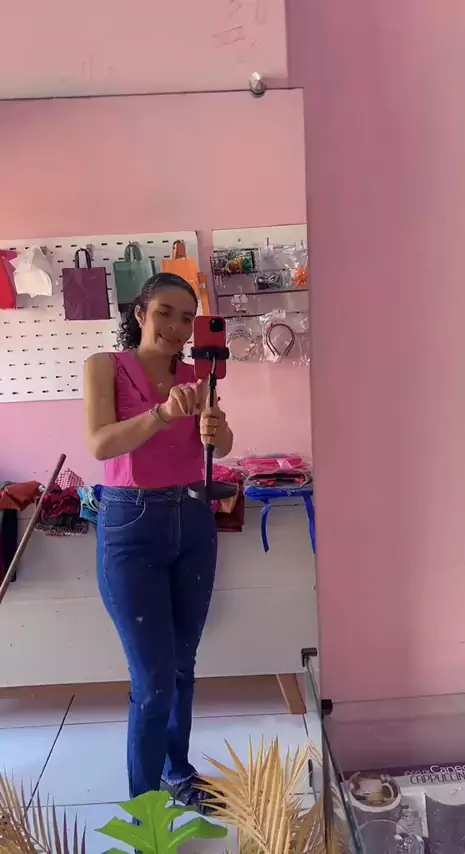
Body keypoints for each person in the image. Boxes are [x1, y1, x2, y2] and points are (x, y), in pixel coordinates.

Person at [83, 272, 233, 811]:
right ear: (141, 313)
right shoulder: (105, 366)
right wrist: (163, 413)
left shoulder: (200, 375)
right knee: (153, 684)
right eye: (165, 312)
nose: (176, 326)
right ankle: (144, 810)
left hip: (193, 517)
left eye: (187, 318)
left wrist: (216, 430)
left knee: (182, 668)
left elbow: (222, 441)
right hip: (131, 525)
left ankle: (177, 773)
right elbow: (101, 444)